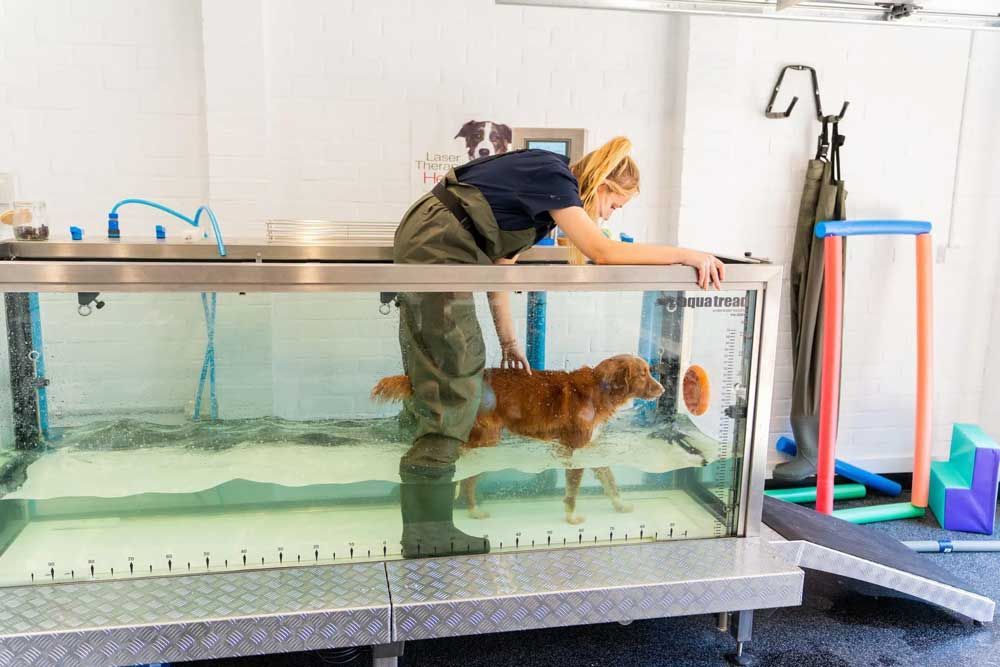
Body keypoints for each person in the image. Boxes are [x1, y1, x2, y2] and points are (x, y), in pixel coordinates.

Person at [393, 136, 725, 558]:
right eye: (614, 205)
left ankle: (427, 523)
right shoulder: (555, 177)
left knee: (457, 372)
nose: (606, 215)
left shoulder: (543, 190)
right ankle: (428, 534)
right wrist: (687, 255)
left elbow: (502, 270)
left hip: (435, 244)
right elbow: (602, 252)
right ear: (602, 185)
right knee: (455, 380)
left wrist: (509, 340)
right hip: (436, 248)